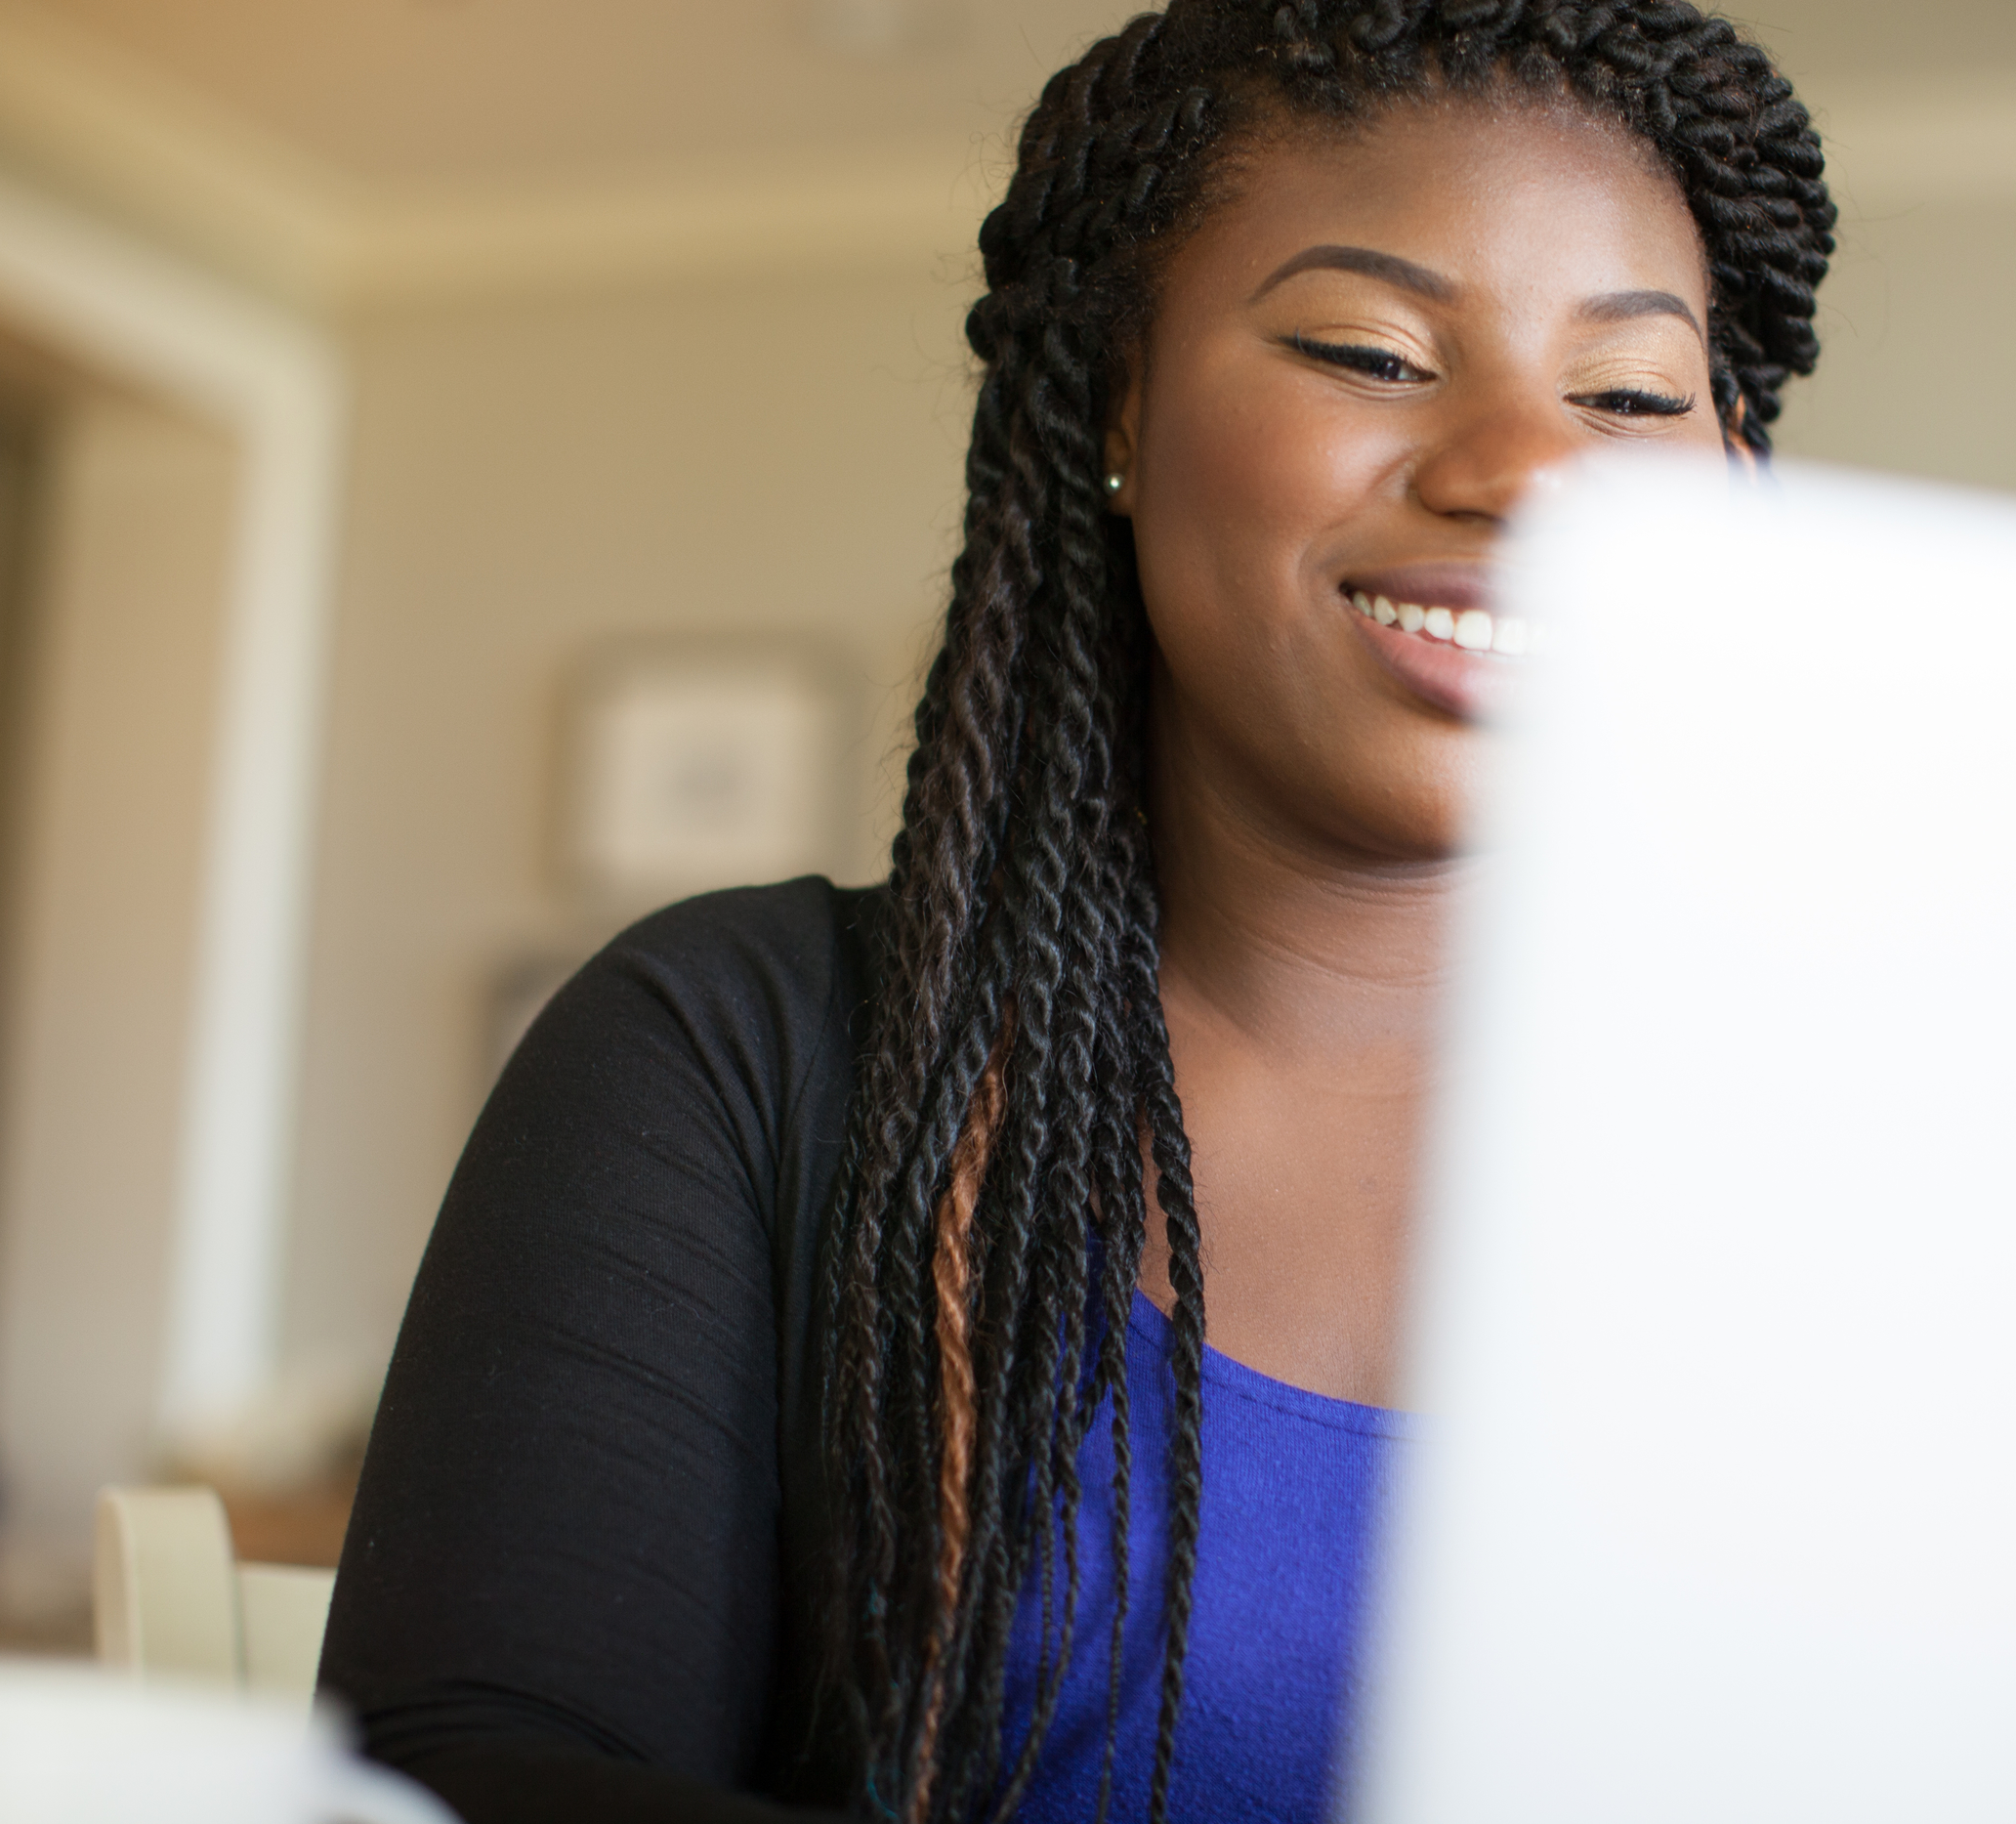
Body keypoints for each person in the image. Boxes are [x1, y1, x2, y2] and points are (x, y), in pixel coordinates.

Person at [318, 3, 1833, 1819]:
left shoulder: (1888, 1148)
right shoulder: (737, 1051)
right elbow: (465, 1775)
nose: (1523, 466)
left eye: (1633, 395)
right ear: (1116, 404)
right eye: (1371, 350)